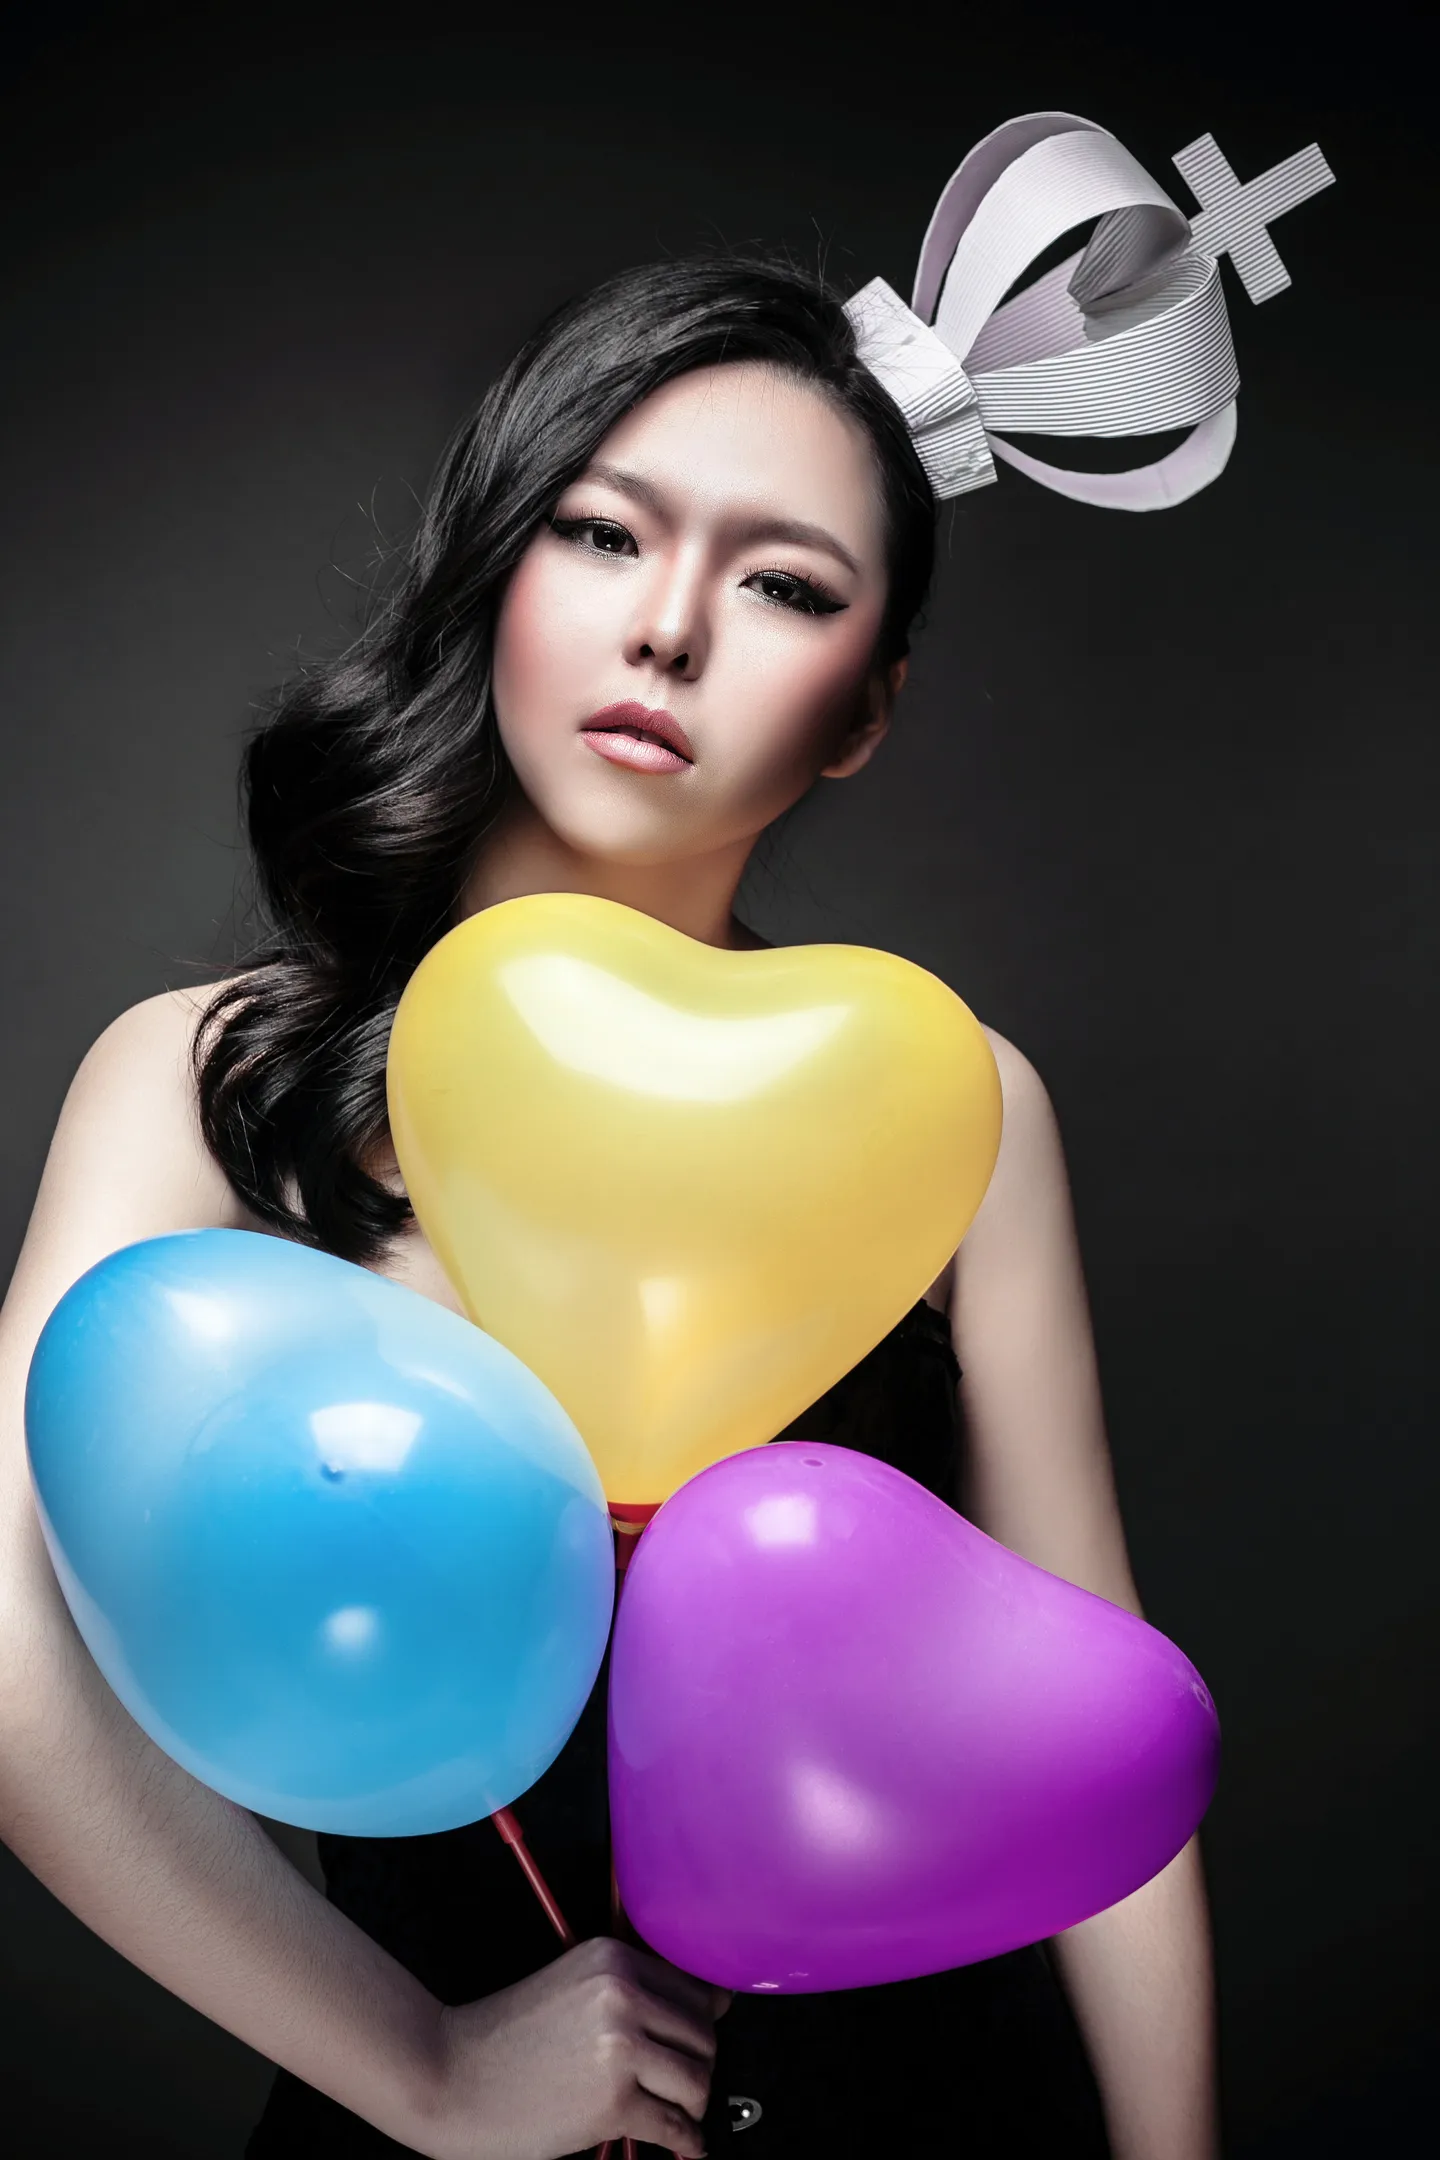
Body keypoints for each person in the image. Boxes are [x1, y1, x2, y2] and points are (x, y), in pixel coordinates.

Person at [0, 174, 1231, 2160]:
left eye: (786, 586)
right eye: (601, 532)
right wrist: (422, 2068)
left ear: (865, 709)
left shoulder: (956, 1110)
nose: (669, 624)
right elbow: (11, 1673)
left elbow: (1091, 1723)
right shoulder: (207, 1084)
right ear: (500, 567)